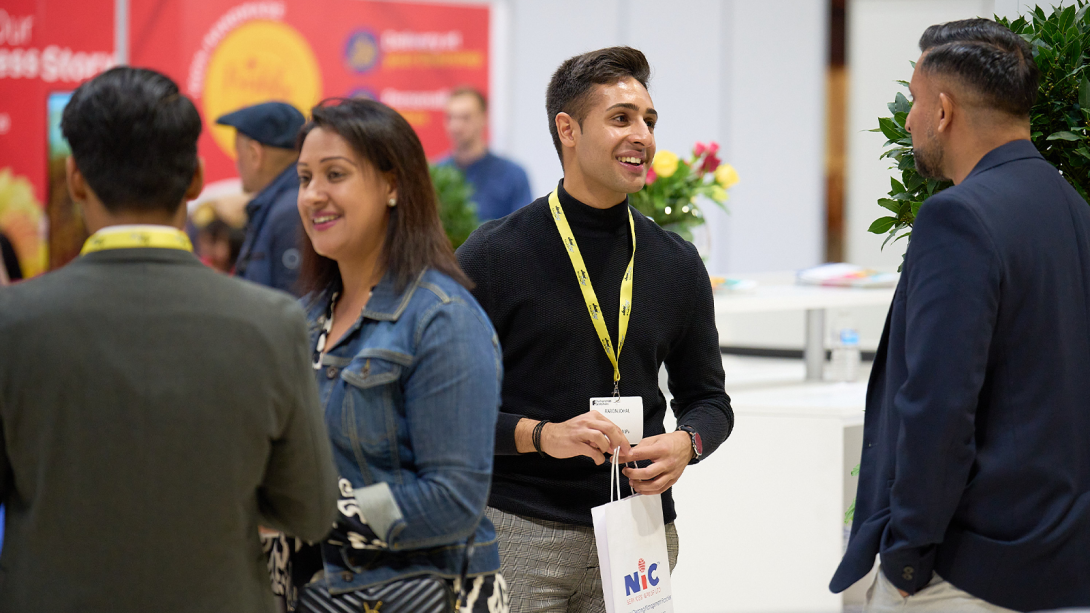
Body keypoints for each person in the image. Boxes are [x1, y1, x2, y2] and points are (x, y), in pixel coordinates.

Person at [0, 67, 338, 612]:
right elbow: (309, 508)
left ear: (76, 179)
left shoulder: (12, 322)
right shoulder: (272, 322)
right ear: (197, 179)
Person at [456, 47, 733, 612]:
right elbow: (447, 410)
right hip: (520, 532)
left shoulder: (675, 263)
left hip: (639, 531)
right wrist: (541, 435)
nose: (643, 136)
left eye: (649, 120)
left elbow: (709, 401)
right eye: (621, 118)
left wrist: (687, 443)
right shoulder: (495, 252)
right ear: (568, 130)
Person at [830, 19, 1090, 613]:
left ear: (944, 110)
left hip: (970, 572)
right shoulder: (1075, 210)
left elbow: (939, 405)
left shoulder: (959, 217)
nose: (910, 120)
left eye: (917, 102)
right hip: (1065, 565)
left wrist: (907, 555)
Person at [292, 97, 509, 612]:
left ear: (393, 184)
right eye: (303, 178)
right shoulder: (303, 319)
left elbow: (451, 502)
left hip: (429, 595)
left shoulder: (443, 318)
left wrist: (318, 512)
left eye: (335, 174)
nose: (313, 195)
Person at [217, 101, 306, 295]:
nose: (237, 163)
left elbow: (293, 311)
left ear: (255, 154)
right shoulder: (288, 204)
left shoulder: (289, 213)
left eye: (238, 153)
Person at [441, 87, 533, 221]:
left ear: (483, 118)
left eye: (465, 118)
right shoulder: (436, 175)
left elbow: (525, 229)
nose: (456, 126)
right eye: (451, 117)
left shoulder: (513, 175)